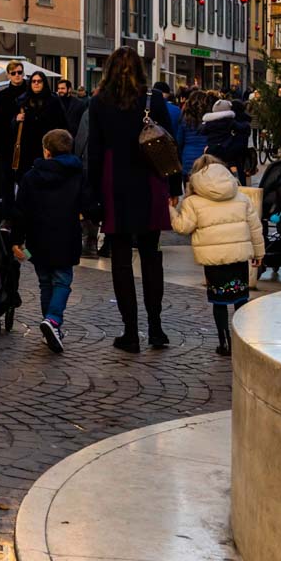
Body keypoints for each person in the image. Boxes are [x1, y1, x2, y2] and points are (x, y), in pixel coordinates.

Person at [87, 48, 176, 353]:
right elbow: (169, 143)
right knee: (151, 255)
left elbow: (95, 152)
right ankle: (155, 327)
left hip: (116, 181)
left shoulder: (99, 102)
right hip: (150, 180)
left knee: (121, 260)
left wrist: (93, 196)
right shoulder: (152, 100)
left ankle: (130, 331)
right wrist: (174, 185)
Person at [170, 155, 266, 357]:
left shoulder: (194, 202)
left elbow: (182, 227)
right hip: (239, 257)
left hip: (214, 261)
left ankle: (225, 343)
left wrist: (170, 209)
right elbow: (255, 227)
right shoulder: (240, 195)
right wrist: (259, 253)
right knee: (240, 298)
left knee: (219, 302)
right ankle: (242, 341)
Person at [12, 128, 85, 355]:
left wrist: (17, 240)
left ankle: (50, 323)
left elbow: (20, 211)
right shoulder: (77, 174)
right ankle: (53, 321)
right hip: (66, 236)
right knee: (62, 281)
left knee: (46, 282)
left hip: (38, 239)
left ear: (46, 151)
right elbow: (86, 201)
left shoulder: (31, 177)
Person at [0, 61, 29, 167]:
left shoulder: (30, 93)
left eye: (19, 72)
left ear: (23, 73)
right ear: (8, 75)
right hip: (5, 144)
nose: (17, 75)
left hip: (27, 143)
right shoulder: (1, 96)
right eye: (13, 73)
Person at [202, 98, 254, 181]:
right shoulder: (231, 122)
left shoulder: (209, 123)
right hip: (227, 149)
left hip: (212, 149)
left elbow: (202, 131)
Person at [177, 89, 213, 176]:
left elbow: (179, 141)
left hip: (188, 157)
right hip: (206, 158)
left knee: (189, 186)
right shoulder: (210, 120)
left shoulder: (184, 119)